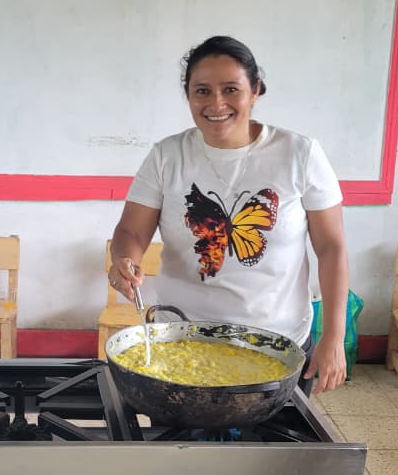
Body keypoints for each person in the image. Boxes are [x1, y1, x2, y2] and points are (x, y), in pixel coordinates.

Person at [108, 36, 349, 394]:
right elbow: (131, 231)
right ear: (188, 95)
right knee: (179, 433)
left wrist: (334, 337)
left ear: (255, 91)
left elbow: (331, 247)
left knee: (278, 433)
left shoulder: (299, 153)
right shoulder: (167, 155)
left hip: (278, 346)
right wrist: (126, 261)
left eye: (231, 89)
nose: (216, 103)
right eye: (202, 91)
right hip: (182, 339)